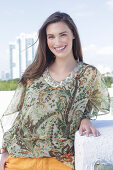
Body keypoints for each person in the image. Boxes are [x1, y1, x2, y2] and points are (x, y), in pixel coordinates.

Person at [0, 11, 110, 170]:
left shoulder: (88, 75)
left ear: (73, 34)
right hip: (19, 159)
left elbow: (88, 106)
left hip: (60, 162)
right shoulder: (34, 73)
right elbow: (22, 116)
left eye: (62, 34)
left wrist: (84, 118)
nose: (57, 41)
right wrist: (4, 151)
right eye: (51, 36)